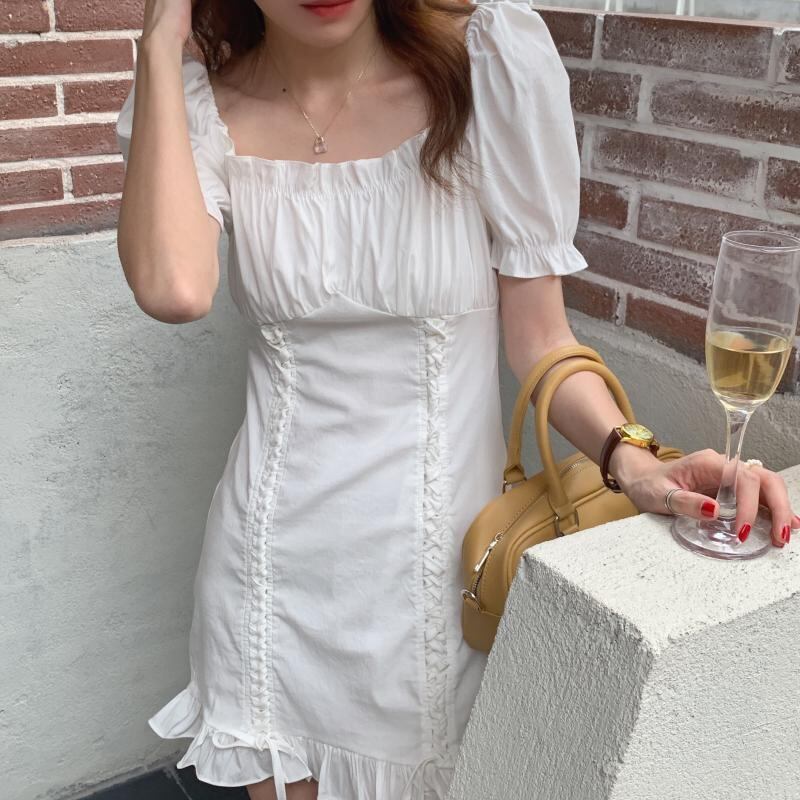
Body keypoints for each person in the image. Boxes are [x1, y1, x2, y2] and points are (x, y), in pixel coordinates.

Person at [115, 1, 800, 798]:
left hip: (438, 583)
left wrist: (636, 461)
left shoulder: (485, 77)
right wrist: (160, 42)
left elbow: (540, 339)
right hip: (270, 578)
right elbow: (174, 288)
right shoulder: (202, 107)